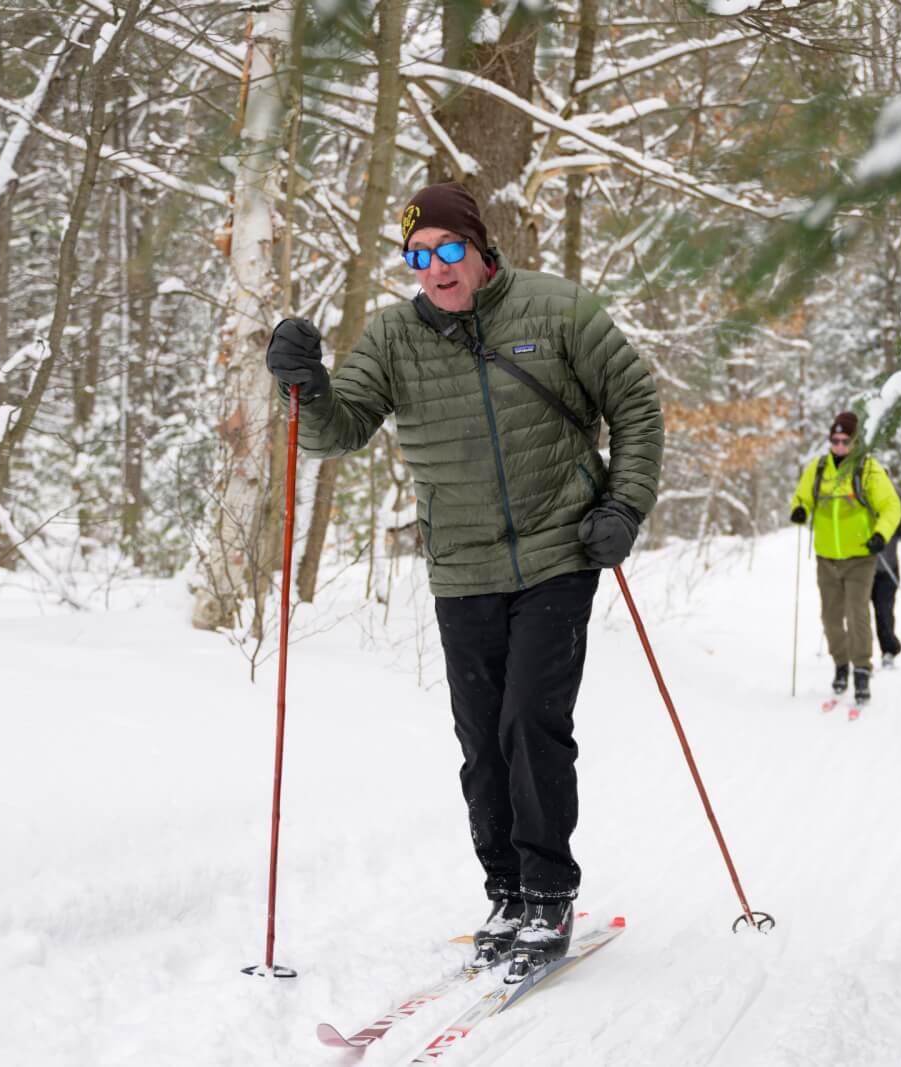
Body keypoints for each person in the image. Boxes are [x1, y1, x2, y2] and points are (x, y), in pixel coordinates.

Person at [263, 181, 663, 974]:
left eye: (449, 249)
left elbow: (637, 406)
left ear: (481, 250)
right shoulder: (392, 338)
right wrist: (301, 385)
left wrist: (624, 506)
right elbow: (339, 431)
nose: (436, 269)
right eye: (418, 257)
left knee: (528, 722)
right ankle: (508, 890)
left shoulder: (558, 310)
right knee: (482, 741)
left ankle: (550, 893)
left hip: (559, 552)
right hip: (462, 567)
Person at [788, 412, 901, 706]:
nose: (838, 445)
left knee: (857, 614)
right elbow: (802, 497)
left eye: (844, 441)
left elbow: (891, 507)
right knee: (830, 618)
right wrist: (799, 509)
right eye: (834, 440)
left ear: (855, 441)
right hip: (826, 557)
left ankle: (861, 670)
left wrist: (880, 534)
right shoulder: (819, 468)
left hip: (860, 557)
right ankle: (841, 665)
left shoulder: (868, 470)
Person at [871, 477, 901, 669]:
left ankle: (888, 651)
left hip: (887, 566)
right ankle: (858, 656)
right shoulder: (859, 496)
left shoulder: (897, 496)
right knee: (857, 614)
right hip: (858, 566)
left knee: (884, 610)